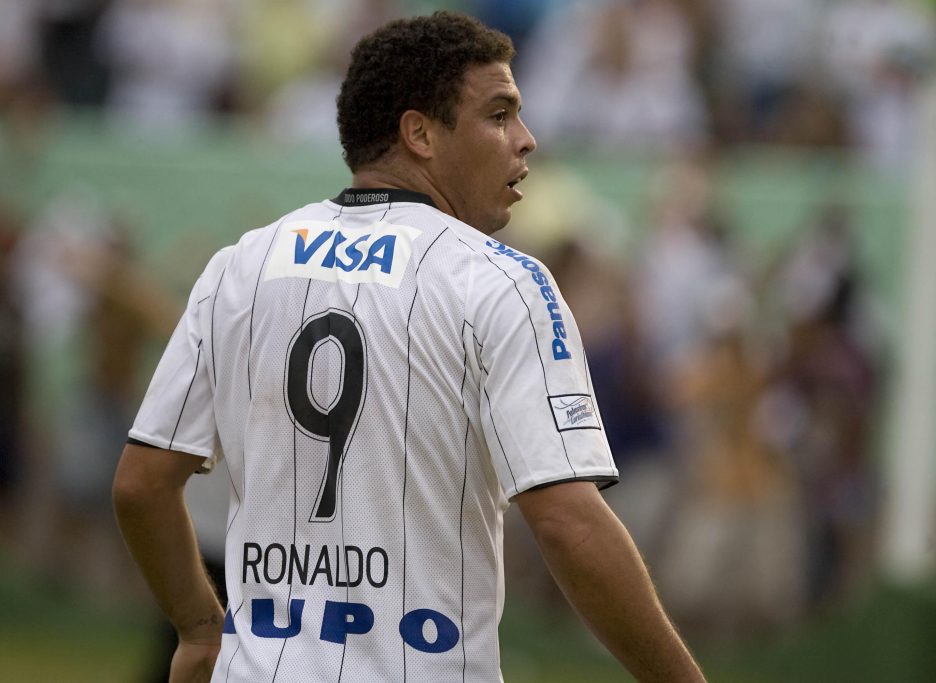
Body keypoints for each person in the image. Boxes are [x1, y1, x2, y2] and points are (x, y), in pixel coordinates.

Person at [112, 12, 705, 683]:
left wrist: (197, 626)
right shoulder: (501, 280)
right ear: (419, 132)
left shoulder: (243, 265)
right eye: (500, 114)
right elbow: (569, 523)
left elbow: (141, 484)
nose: (527, 140)